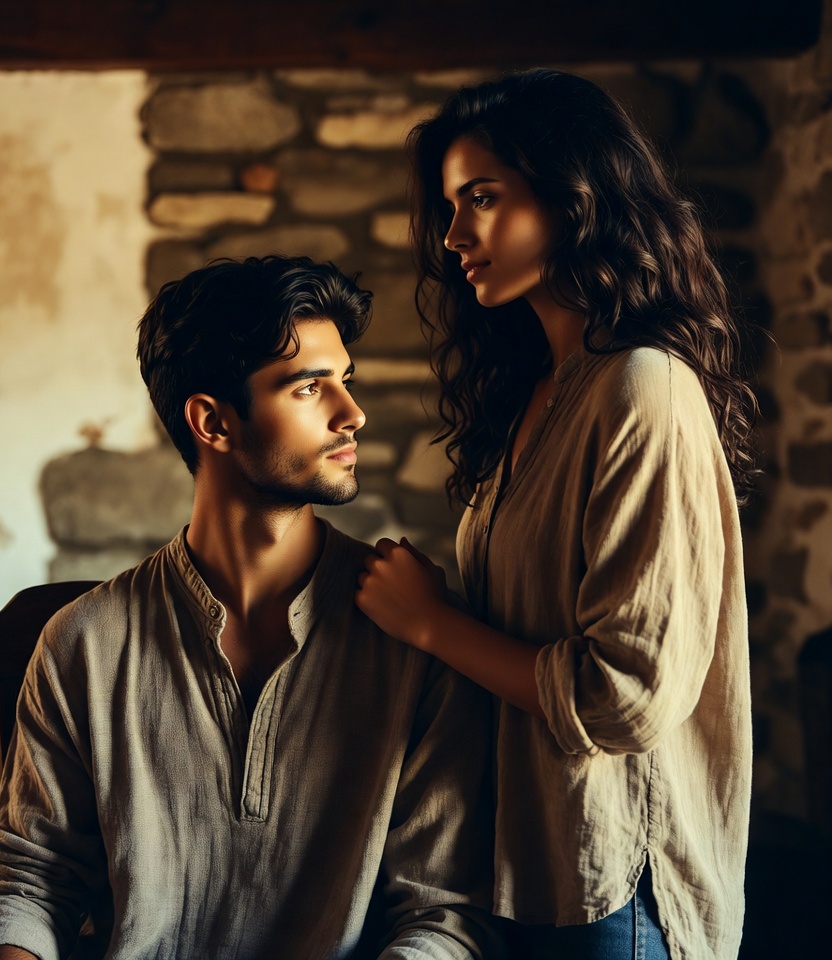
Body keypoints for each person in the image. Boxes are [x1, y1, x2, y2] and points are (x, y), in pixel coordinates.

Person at [0, 255, 502, 960]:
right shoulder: (83, 644)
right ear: (212, 421)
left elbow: (442, 917)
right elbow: (29, 888)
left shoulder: (416, 635)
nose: (353, 412)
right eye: (310, 387)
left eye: (346, 379)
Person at [355, 69, 756, 960]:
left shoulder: (643, 387)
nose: (455, 234)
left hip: (618, 889)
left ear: (575, 196)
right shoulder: (540, 391)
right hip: (523, 868)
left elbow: (628, 698)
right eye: (452, 206)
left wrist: (429, 624)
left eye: (483, 198)